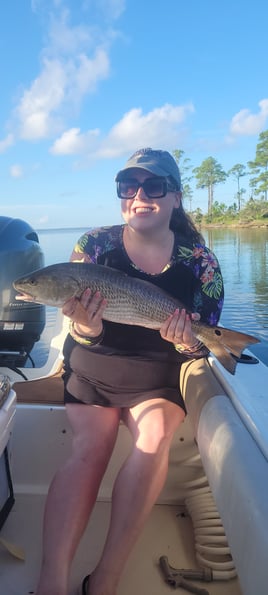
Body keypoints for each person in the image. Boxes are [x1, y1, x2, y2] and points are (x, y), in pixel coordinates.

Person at [35, 148, 224, 595]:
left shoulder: (201, 261)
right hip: (93, 367)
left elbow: (202, 340)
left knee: (153, 436)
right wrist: (86, 327)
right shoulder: (93, 245)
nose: (140, 195)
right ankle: (51, 583)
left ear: (176, 197)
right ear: (121, 195)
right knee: (90, 449)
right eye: (128, 186)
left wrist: (186, 340)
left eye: (154, 186)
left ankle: (105, 580)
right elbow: (79, 334)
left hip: (158, 375)